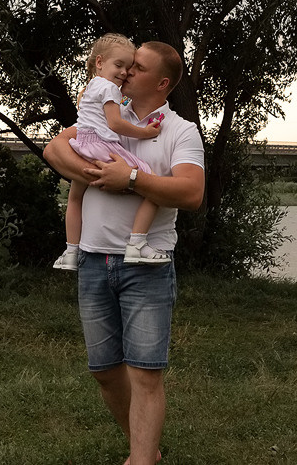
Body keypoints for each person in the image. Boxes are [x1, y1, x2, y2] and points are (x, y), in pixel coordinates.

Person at [43, 40, 205, 465]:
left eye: (139, 67)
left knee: (145, 374)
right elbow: (54, 149)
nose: (128, 71)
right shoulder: (103, 111)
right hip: (93, 260)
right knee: (104, 371)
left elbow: (191, 192)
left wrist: (130, 179)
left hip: (146, 265)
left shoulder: (180, 130)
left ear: (162, 82)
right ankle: (143, 449)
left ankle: (142, 459)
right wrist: (95, 173)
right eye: (127, 65)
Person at [54, 34, 169, 270]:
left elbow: (103, 112)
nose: (125, 72)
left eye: (128, 68)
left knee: (75, 198)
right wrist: (145, 132)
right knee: (151, 182)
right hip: (102, 145)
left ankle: (70, 251)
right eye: (119, 65)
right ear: (99, 62)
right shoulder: (109, 88)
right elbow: (115, 124)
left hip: (83, 144)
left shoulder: (91, 86)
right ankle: (137, 243)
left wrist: (124, 102)